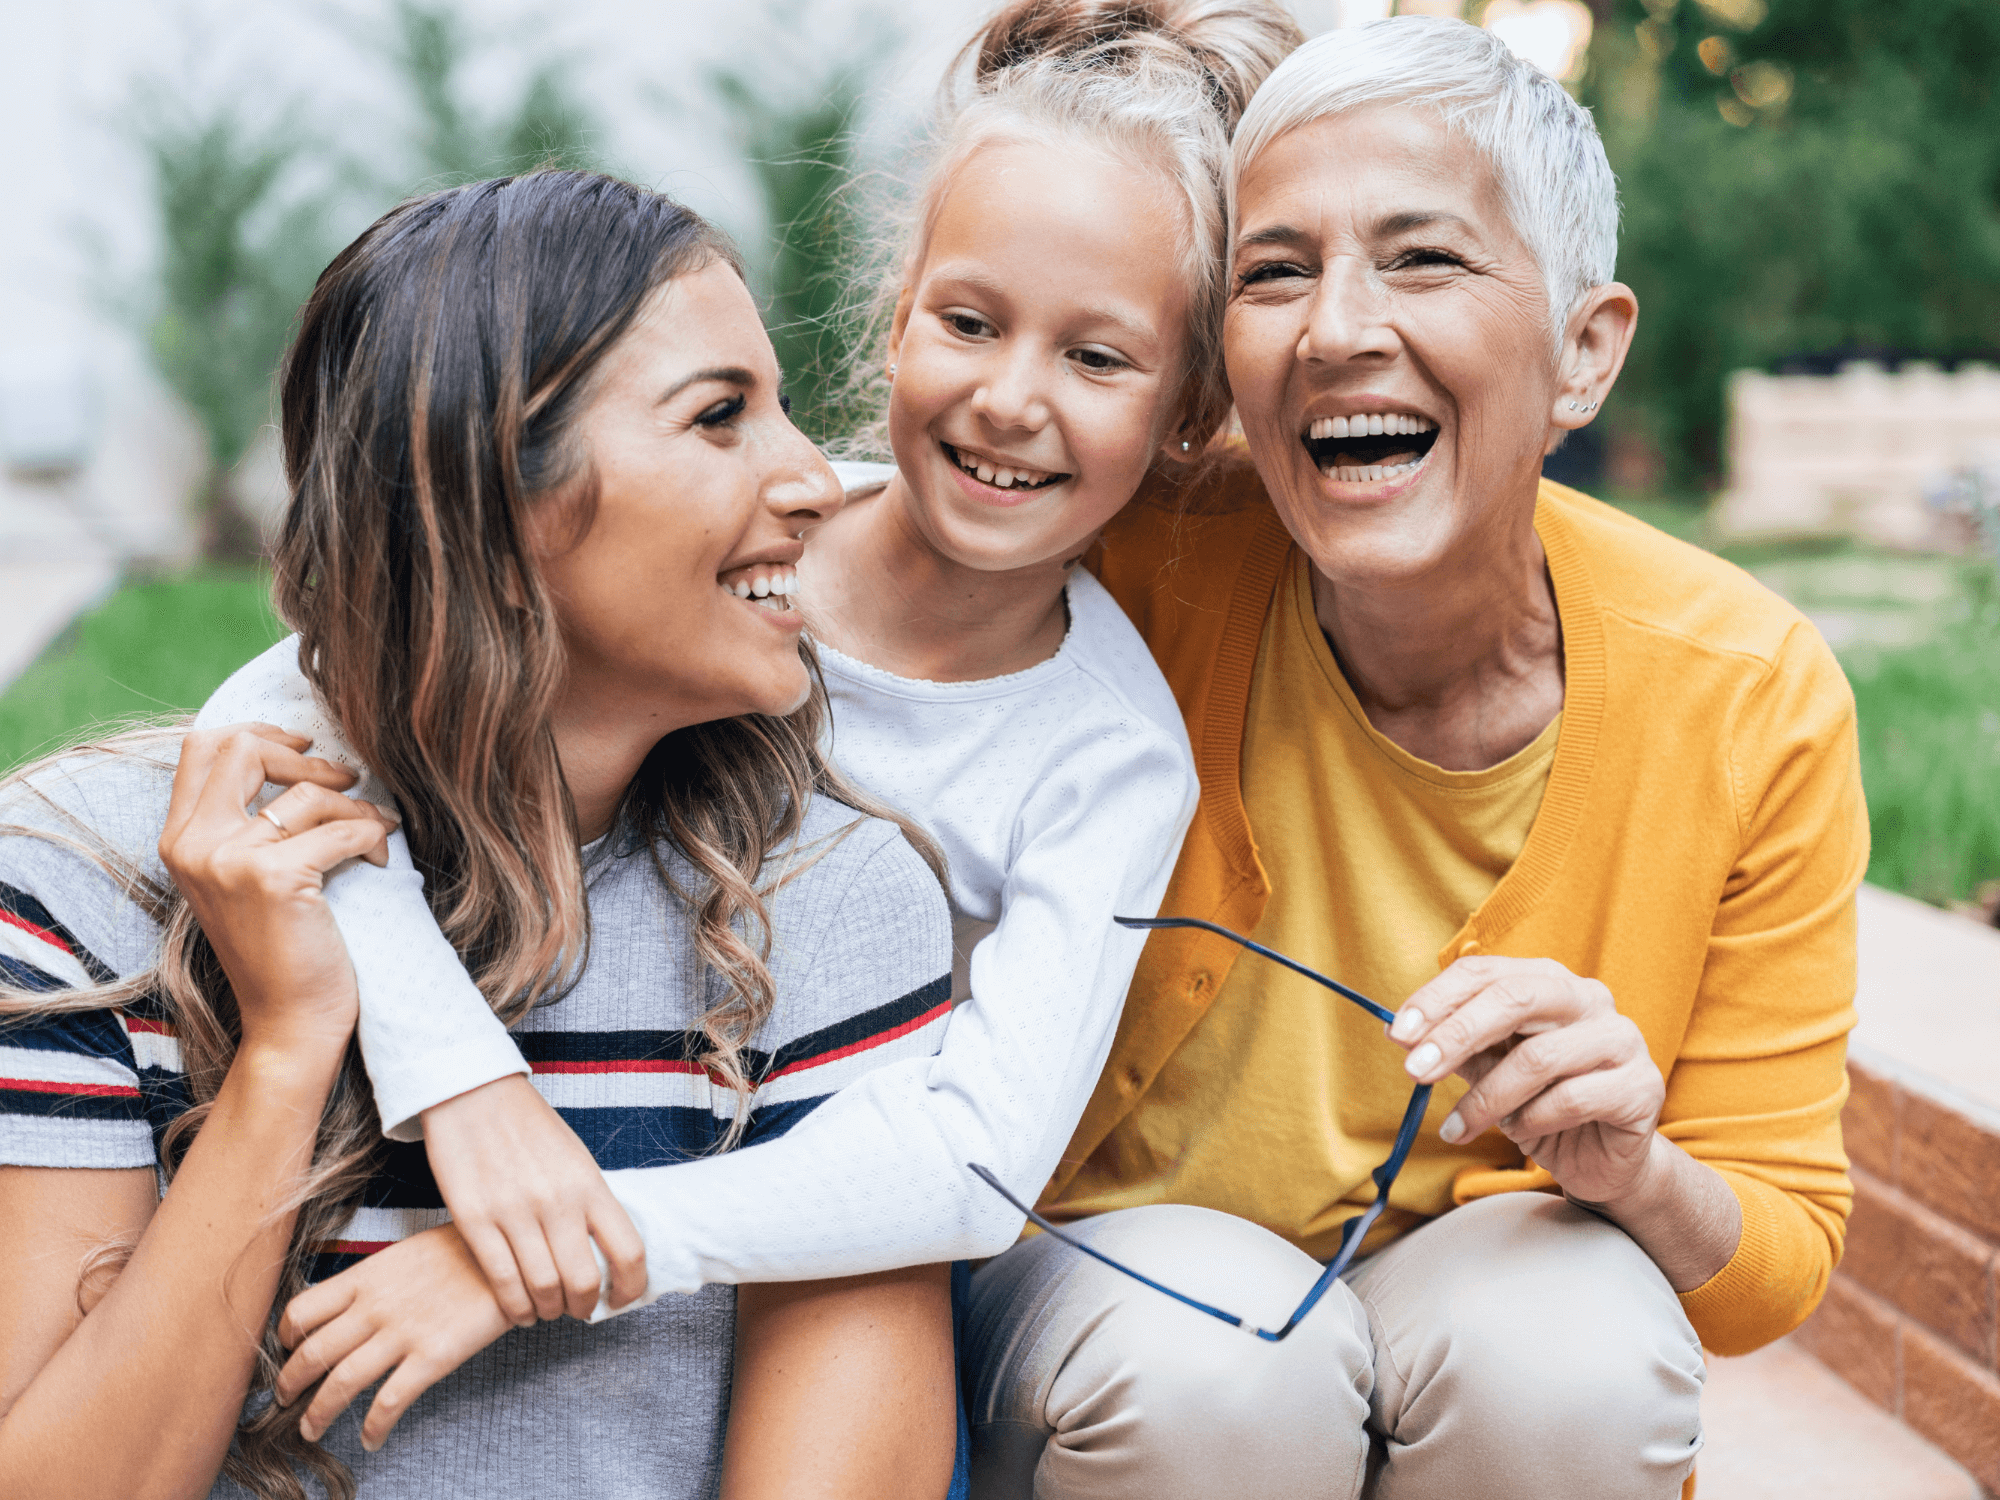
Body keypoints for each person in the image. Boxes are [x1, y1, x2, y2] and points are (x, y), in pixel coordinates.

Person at [195, 0, 1303, 1450]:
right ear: (896, 316)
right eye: (968, 323)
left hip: (826, 1290)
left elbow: (972, 1161)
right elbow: (286, 701)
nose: (1010, 397)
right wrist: (460, 1080)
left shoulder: (1105, 754)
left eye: (1098, 361)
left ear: (1188, 410)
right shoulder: (731, 551)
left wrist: (549, 1251)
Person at [961, 17, 1868, 1500]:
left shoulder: (1747, 692)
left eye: (1423, 259)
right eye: (1273, 271)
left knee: (1572, 1358)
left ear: (1586, 351)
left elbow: (1770, 1268)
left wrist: (1631, 1161)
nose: (1334, 329)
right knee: (1228, 1369)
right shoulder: (1122, 562)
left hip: (1480, 1285)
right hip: (1117, 1297)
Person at [0, 172, 960, 1500]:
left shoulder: (827, 906)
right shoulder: (80, 875)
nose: (812, 477)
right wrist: (286, 1056)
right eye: (722, 415)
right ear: (489, 496)